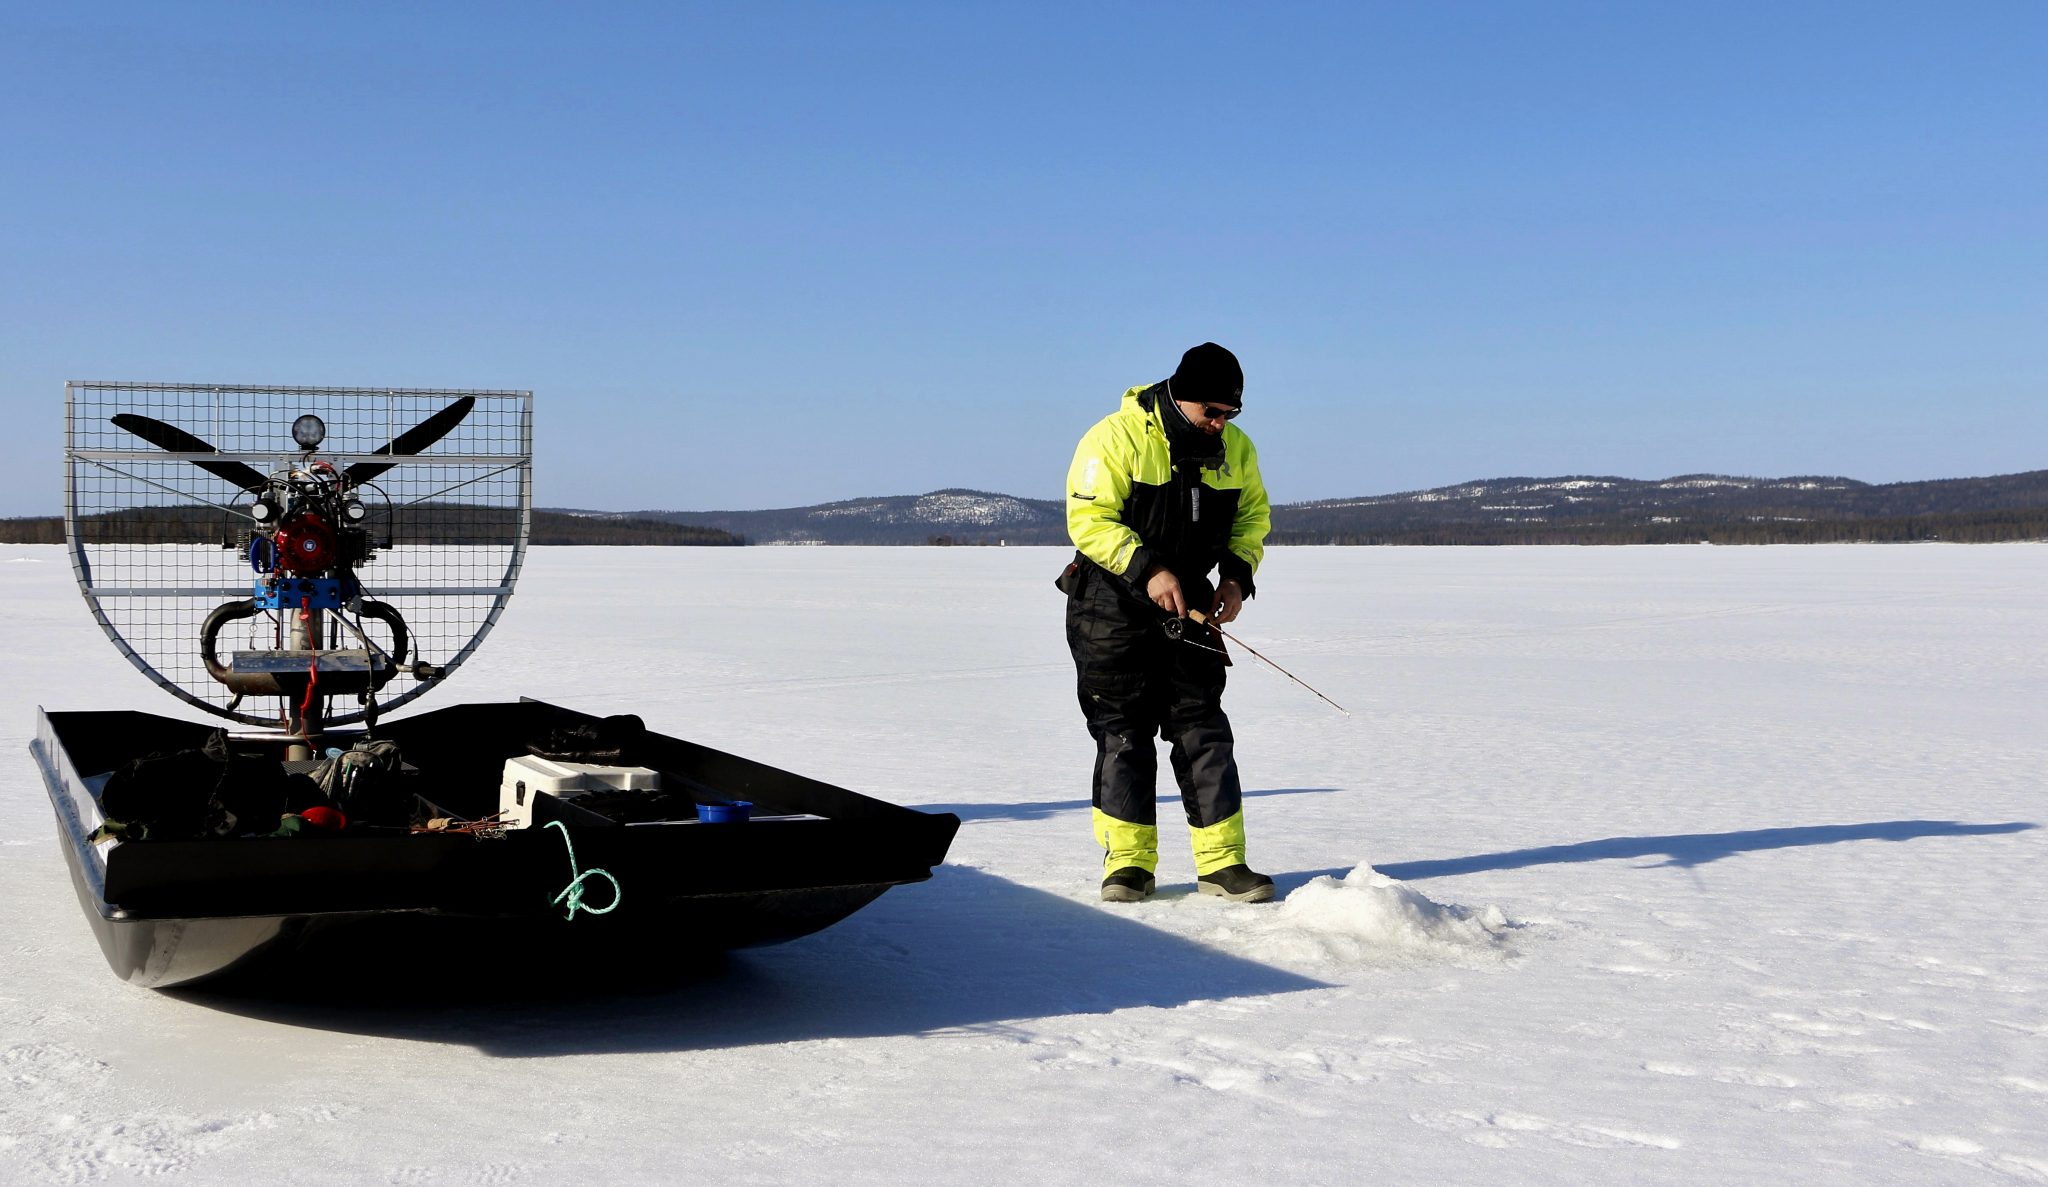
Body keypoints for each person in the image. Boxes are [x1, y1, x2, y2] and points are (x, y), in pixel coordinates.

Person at [1059, 342, 1274, 903]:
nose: (1222, 423)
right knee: (1123, 732)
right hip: (1110, 603)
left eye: (1232, 413)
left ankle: (1223, 864)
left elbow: (1252, 517)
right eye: (1214, 412)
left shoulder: (1236, 450)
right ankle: (1128, 866)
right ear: (1183, 398)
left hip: (1191, 600)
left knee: (1202, 726)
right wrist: (1148, 569)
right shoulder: (1114, 438)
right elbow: (1089, 519)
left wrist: (1235, 577)